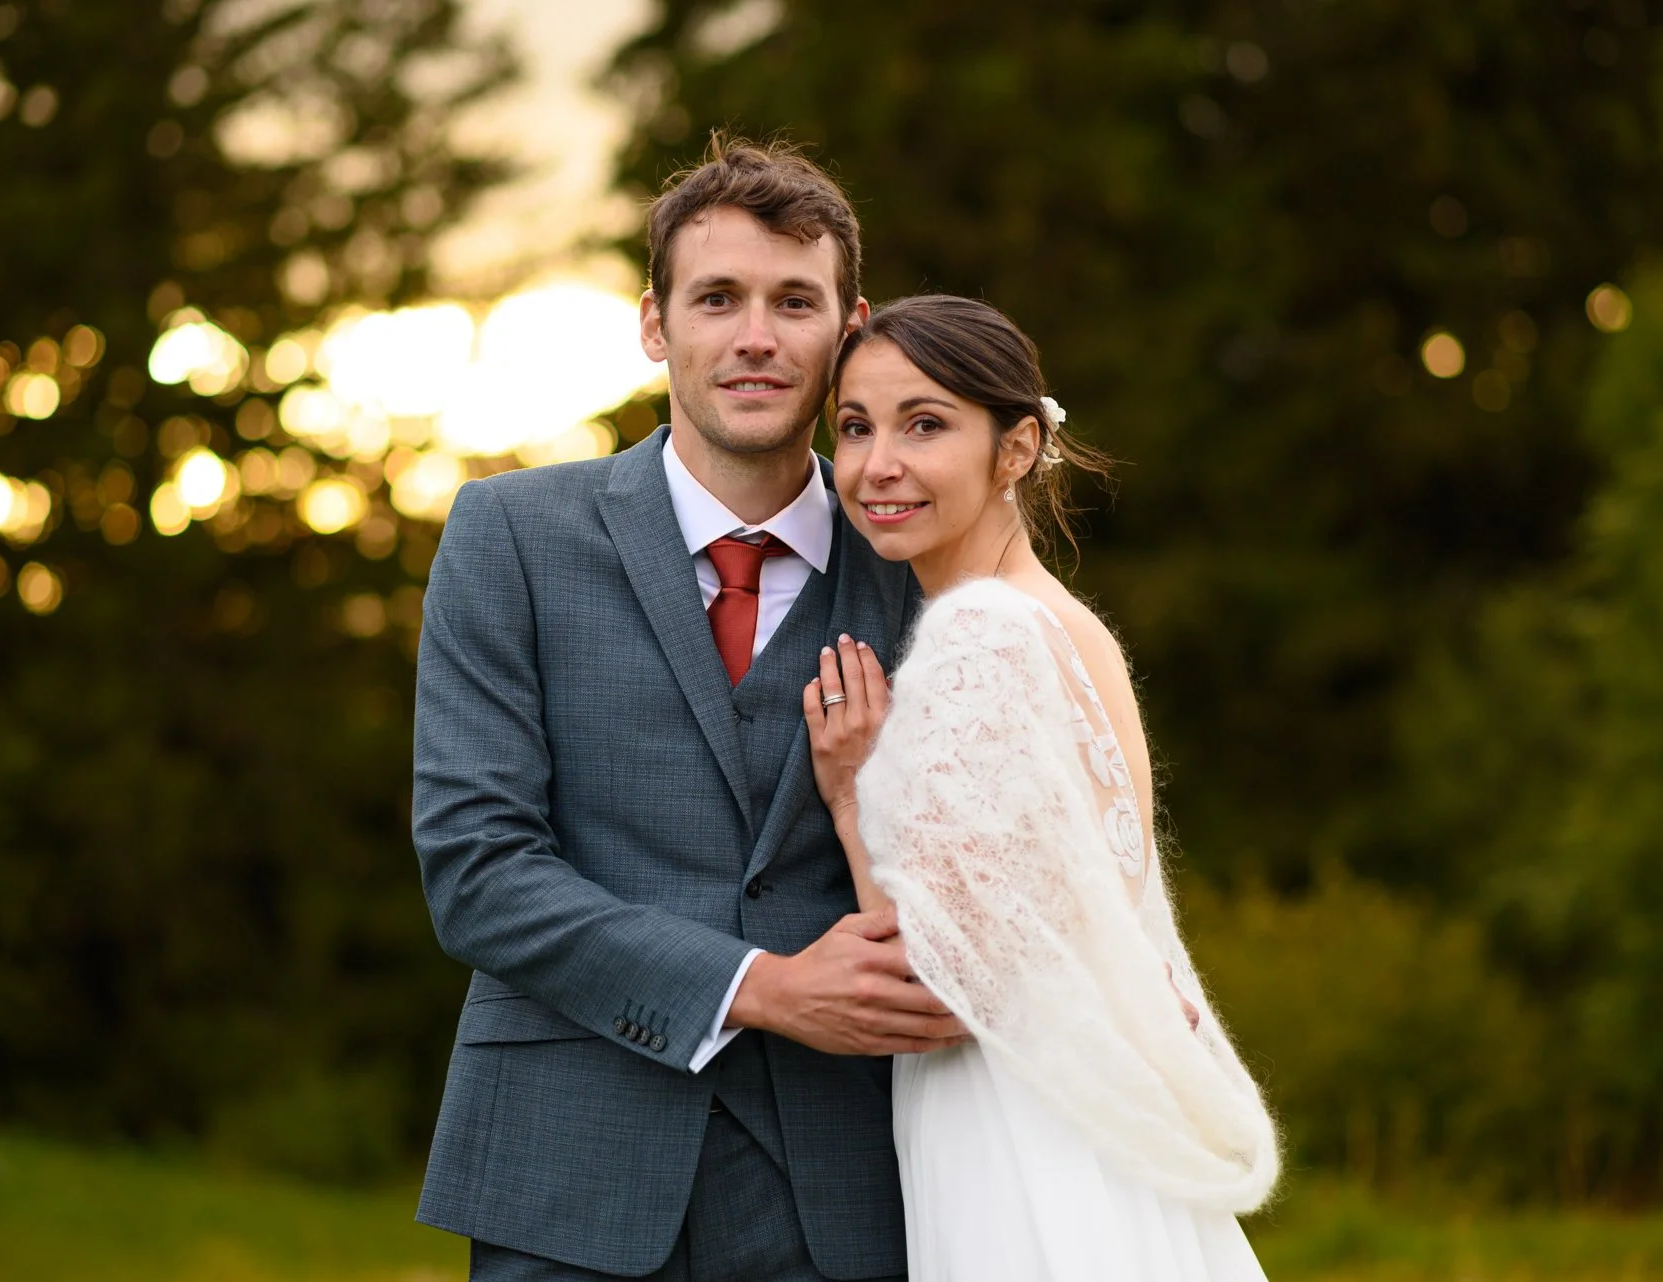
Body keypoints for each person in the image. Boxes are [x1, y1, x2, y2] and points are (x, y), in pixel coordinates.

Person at [411, 138, 964, 1281]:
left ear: (847, 329)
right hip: (565, 1175)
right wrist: (760, 987)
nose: (755, 336)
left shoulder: (929, 578)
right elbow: (476, 869)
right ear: (656, 325)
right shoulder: (509, 535)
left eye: (792, 301)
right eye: (717, 298)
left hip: (850, 1194)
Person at [804, 295, 1280, 1281]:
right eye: (854, 427)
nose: (876, 463)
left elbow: (934, 981)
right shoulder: (1062, 623)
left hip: (1012, 1129)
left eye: (923, 424)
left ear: (1017, 447)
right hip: (1084, 1102)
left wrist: (854, 795)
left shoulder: (980, 641)